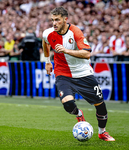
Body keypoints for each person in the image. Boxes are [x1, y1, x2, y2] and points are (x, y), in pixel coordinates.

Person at [42, 7, 115, 141]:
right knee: (67, 103)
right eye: (52, 20)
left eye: (57, 20)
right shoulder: (48, 33)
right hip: (63, 73)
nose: (54, 23)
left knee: (100, 105)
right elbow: (45, 42)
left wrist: (66, 50)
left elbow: (87, 53)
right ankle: (79, 114)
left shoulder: (75, 32)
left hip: (83, 74)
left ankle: (102, 132)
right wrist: (47, 61)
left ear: (65, 19)